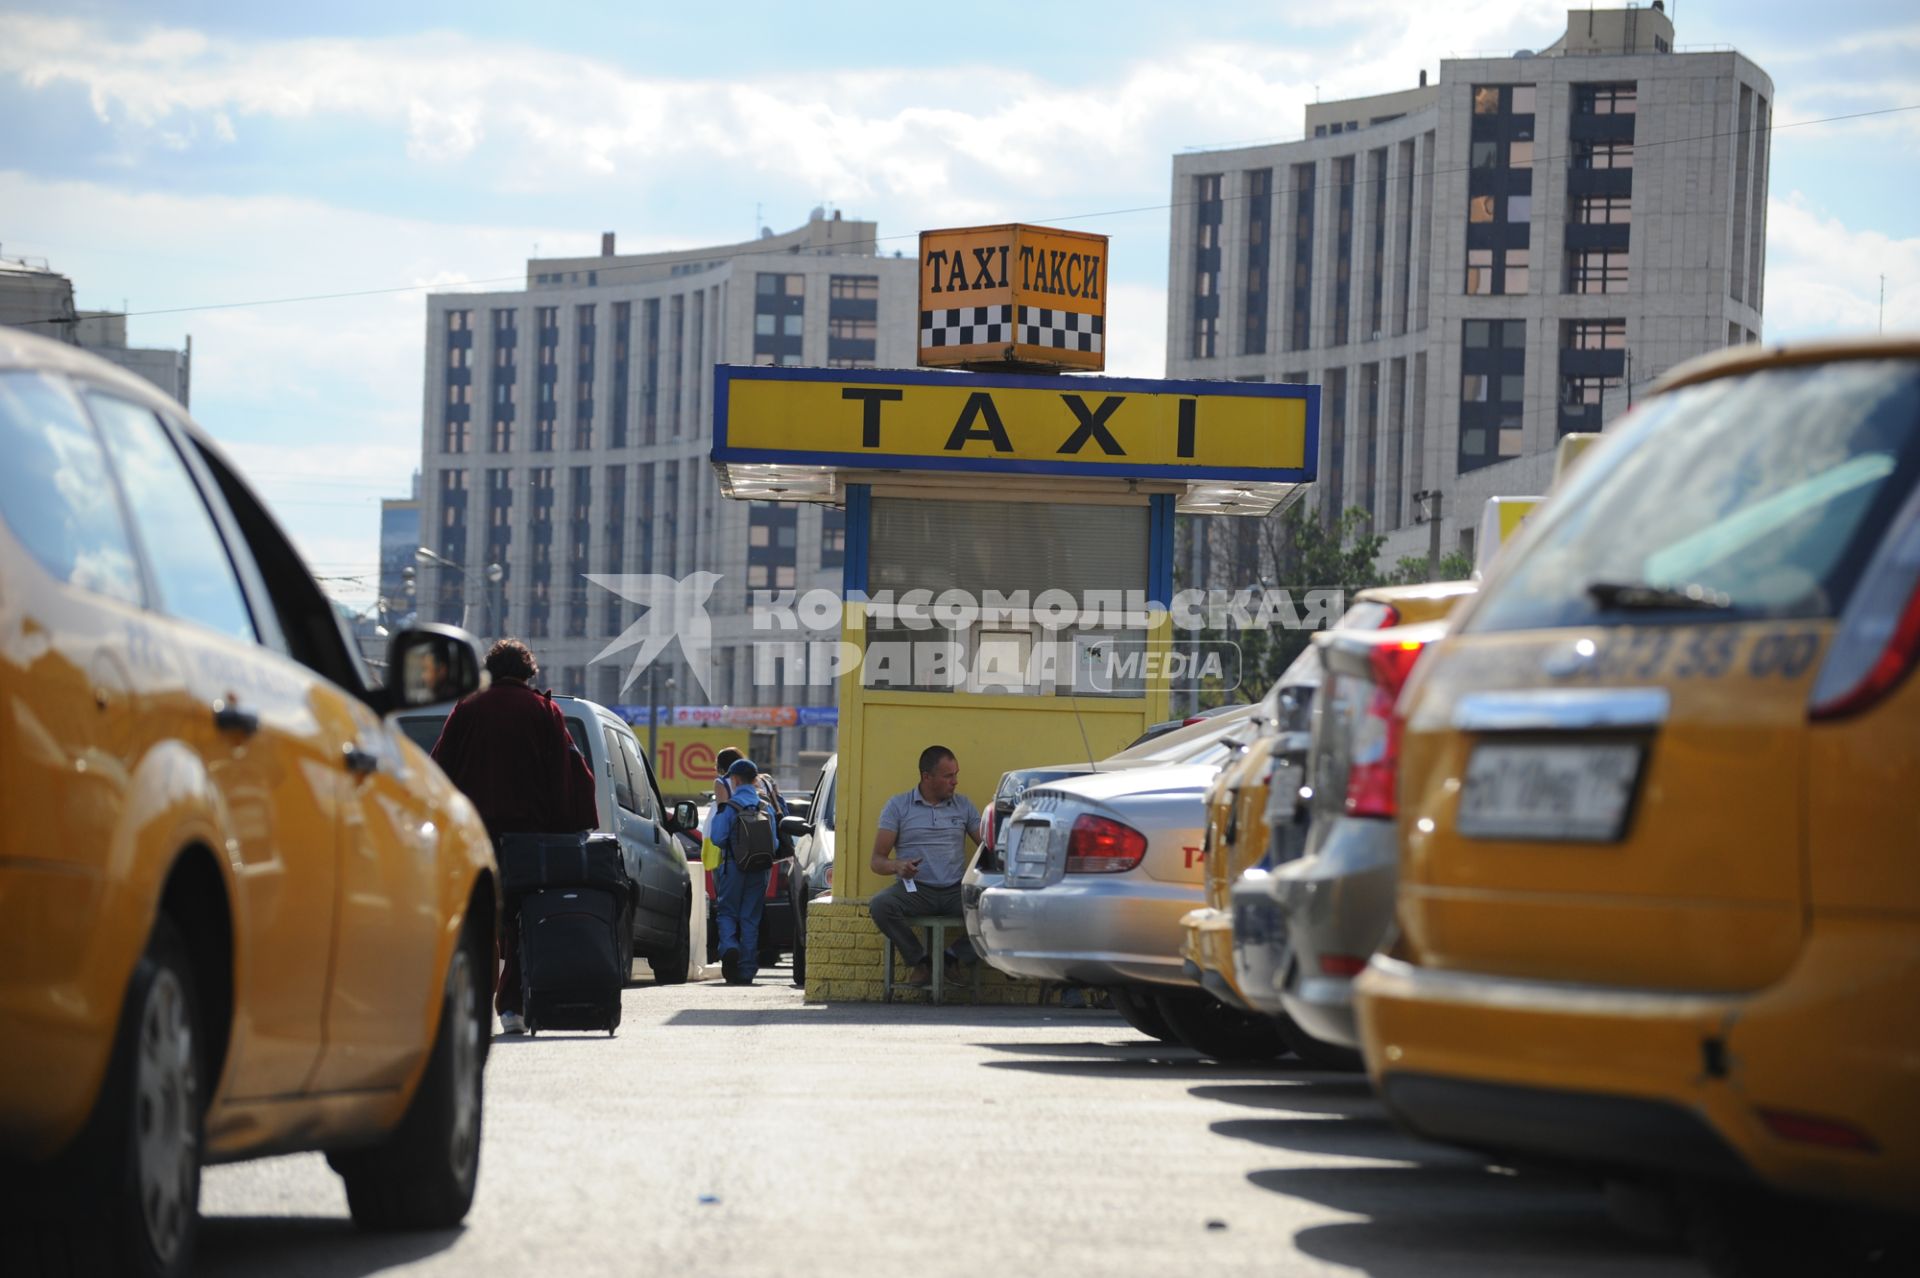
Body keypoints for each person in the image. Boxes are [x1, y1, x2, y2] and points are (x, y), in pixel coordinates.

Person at [431, 638, 597, 1034]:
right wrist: (567, 829)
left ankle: (472, 1007)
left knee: (477, 921)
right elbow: (569, 775)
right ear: (528, 673)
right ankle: (510, 1008)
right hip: (530, 840)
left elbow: (438, 767)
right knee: (523, 923)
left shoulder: (467, 708)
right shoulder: (544, 711)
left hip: (473, 838)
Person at [868, 745, 980, 989]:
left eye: (956, 774)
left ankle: (953, 958)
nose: (955, 782)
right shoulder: (898, 806)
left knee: (1000, 909)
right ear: (927, 777)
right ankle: (921, 961)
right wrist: (898, 866)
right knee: (880, 905)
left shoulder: (963, 806)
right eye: (948, 776)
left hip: (955, 890)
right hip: (915, 891)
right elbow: (877, 860)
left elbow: (986, 846)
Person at [708, 757, 774, 985]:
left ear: (734, 780)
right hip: (759, 870)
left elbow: (717, 838)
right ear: (755, 780)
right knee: (750, 918)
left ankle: (729, 946)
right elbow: (773, 844)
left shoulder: (729, 807)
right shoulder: (766, 807)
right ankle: (746, 970)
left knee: (727, 912)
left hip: (732, 867)